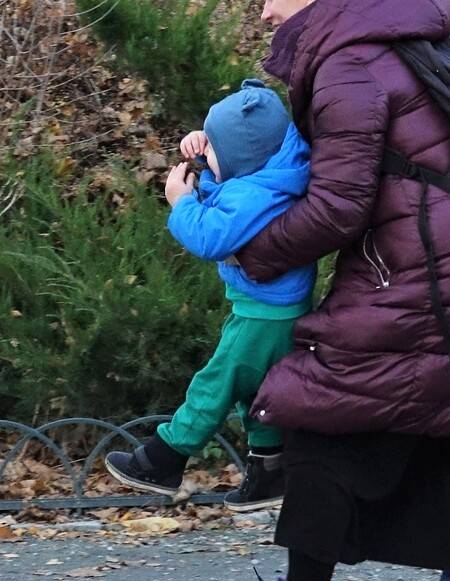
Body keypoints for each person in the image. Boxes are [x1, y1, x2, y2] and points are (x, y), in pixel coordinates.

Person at [211, 0, 450, 581]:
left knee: (319, 405)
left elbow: (338, 204)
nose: (264, 12)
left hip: (429, 268)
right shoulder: (391, 37)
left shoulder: (348, 65)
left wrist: (251, 254)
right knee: (401, 408)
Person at [105, 79, 313, 511]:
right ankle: (269, 471)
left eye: (214, 148)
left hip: (262, 315)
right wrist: (205, 153)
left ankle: (164, 458)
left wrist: (181, 201)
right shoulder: (272, 173)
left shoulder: (255, 193)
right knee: (258, 392)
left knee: (215, 384)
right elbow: (231, 186)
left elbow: (212, 236)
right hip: (273, 310)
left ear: (240, 155)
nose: (207, 154)